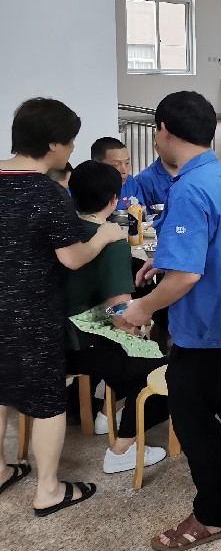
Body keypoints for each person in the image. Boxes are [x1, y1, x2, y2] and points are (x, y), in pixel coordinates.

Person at [121, 91, 221, 551]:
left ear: (163, 130)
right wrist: (164, 259)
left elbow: (187, 276)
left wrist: (143, 307)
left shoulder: (188, 188)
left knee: (193, 418)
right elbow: (220, 245)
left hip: (202, 324)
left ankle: (211, 515)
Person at [0, 98, 126, 517]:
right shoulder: (48, 192)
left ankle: (1, 470)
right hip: (32, 313)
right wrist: (104, 237)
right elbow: (72, 258)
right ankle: (48, 490)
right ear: (53, 144)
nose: (72, 148)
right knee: (47, 401)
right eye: (70, 142)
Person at [63, 160, 169, 474]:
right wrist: (143, 322)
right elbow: (120, 311)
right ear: (114, 201)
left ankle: (106, 416)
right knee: (164, 368)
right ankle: (122, 450)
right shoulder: (110, 240)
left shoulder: (60, 231)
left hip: (48, 335)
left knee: (129, 352)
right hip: (80, 342)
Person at [91, 136, 145, 209]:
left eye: (127, 163)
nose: (124, 170)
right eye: (116, 164)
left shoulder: (131, 183)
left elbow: (142, 209)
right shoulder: (86, 188)